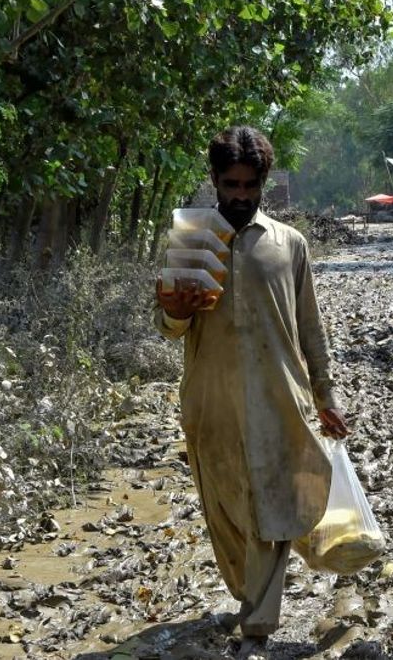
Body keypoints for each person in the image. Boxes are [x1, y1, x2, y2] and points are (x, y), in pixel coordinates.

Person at [153, 125, 350, 641]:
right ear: (214, 181)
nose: (239, 196)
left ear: (263, 183)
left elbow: (311, 327)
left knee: (271, 502)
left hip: (279, 397)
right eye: (230, 185)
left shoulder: (290, 245)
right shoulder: (192, 241)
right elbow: (170, 326)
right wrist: (173, 312)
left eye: (249, 186)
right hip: (209, 401)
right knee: (225, 510)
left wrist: (326, 396)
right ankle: (249, 595)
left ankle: (259, 624)